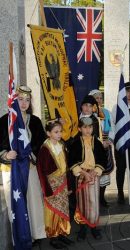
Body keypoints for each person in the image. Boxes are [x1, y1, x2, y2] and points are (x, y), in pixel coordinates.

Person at [0, 85, 46, 243]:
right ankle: (20, 236)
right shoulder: (4, 121)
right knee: (15, 203)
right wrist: (5, 154)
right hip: (11, 169)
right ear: (14, 100)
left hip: (30, 168)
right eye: (20, 99)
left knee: (33, 200)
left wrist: (30, 154)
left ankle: (35, 234)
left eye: (27, 100)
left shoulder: (35, 121)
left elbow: (41, 144)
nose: (24, 103)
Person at [37, 121, 74, 249]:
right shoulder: (45, 149)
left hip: (62, 184)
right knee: (53, 212)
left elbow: (66, 166)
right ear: (48, 133)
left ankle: (62, 233)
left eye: (60, 131)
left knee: (63, 209)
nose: (59, 134)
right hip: (51, 186)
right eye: (56, 132)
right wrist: (46, 190)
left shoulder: (61, 145)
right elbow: (41, 171)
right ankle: (53, 236)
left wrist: (68, 185)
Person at [69, 117, 106, 241]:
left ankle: (94, 227)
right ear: (79, 128)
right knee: (82, 202)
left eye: (90, 127)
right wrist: (84, 173)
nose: (88, 130)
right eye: (84, 127)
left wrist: (95, 172)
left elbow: (102, 159)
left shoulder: (98, 142)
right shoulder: (75, 143)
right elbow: (72, 161)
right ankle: (83, 228)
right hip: (81, 175)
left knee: (94, 203)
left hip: (94, 176)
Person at [89, 89, 113, 207]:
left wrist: (110, 140)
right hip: (93, 147)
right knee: (94, 172)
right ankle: (93, 199)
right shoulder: (88, 114)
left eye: (100, 98)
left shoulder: (107, 112)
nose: (99, 100)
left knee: (104, 172)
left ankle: (102, 198)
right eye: (96, 98)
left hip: (106, 145)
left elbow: (112, 128)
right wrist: (99, 143)